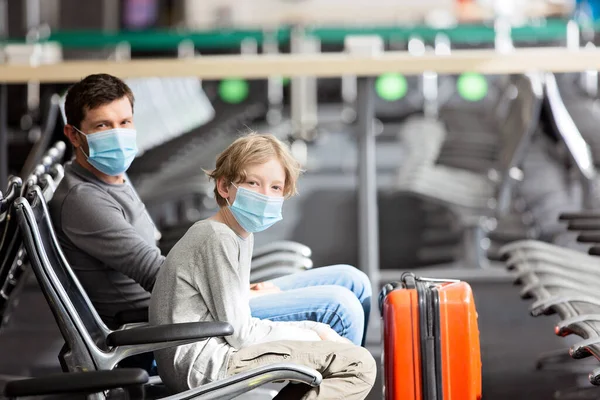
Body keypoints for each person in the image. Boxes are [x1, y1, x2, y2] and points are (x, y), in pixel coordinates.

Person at [50, 73, 372, 345]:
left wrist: (238, 288)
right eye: (103, 126)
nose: (118, 135)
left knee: (352, 281)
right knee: (339, 307)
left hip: (195, 297)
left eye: (125, 122)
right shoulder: (84, 199)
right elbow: (158, 276)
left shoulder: (111, 176)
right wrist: (241, 294)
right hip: (173, 323)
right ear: (73, 135)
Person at [149, 133, 376, 399]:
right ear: (224, 187)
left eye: (276, 188)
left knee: (342, 357)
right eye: (254, 183)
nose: (266, 196)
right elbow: (242, 334)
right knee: (358, 365)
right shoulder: (216, 236)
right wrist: (312, 331)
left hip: (213, 353)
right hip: (207, 364)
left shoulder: (238, 233)